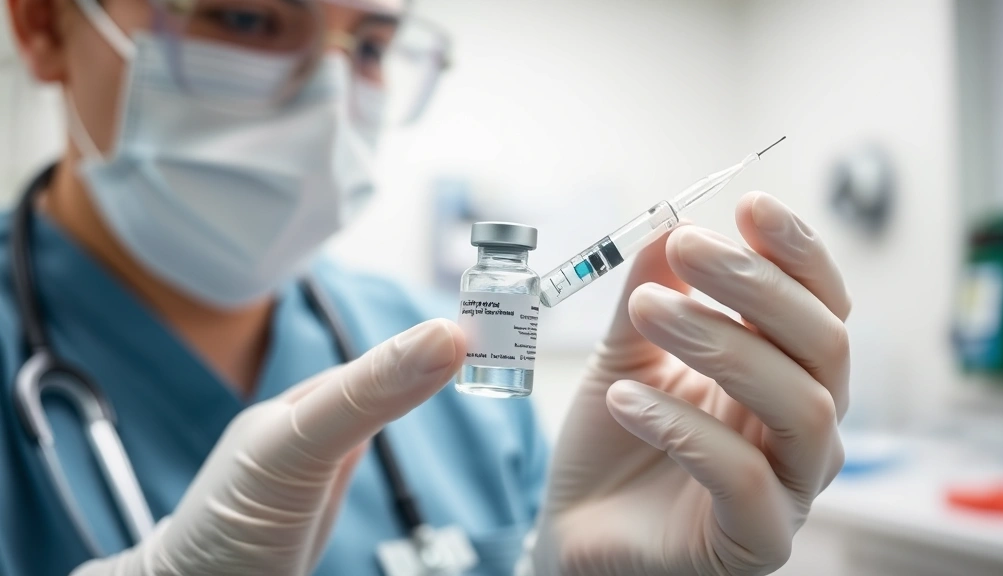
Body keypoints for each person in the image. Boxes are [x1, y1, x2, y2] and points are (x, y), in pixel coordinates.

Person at [1, 0, 852, 573]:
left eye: (368, 46)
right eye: (248, 15)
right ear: (42, 25)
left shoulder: (458, 367)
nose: (331, 102)